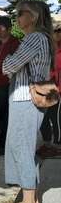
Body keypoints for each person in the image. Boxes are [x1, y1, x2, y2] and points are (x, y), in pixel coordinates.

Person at [2, 0, 53, 203]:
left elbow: (10, 66)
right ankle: (29, 199)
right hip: (29, 98)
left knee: (21, 147)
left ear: (32, 16)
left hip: (26, 98)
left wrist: (7, 61)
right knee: (24, 146)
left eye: (20, 13)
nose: (17, 18)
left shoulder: (34, 38)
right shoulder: (41, 38)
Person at [0, 16, 20, 156]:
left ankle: (4, 144)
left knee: (4, 115)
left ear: (9, 29)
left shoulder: (15, 44)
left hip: (6, 85)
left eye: (1, 28)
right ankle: (0, 141)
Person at [38, 23, 61, 159]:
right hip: (46, 88)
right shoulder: (49, 49)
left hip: (58, 90)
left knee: (56, 119)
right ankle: (47, 143)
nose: (58, 33)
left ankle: (57, 145)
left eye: (60, 31)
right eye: (56, 31)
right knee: (43, 118)